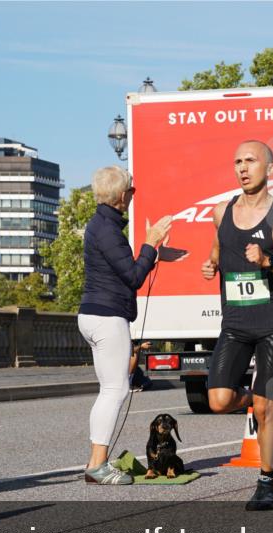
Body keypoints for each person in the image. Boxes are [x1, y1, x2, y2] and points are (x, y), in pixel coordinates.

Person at [201, 140, 273, 511]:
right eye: (237, 161)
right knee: (218, 401)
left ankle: (266, 483)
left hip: (271, 322)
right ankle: (254, 399)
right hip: (234, 322)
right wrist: (211, 265)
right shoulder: (221, 212)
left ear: (271, 167)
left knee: (266, 411)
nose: (242, 168)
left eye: (251, 160)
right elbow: (218, 250)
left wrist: (267, 260)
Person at [78, 166, 173, 485]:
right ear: (122, 196)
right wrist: (150, 242)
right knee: (115, 390)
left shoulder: (99, 225)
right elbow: (132, 276)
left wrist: (152, 255)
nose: (133, 194)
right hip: (107, 317)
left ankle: (95, 462)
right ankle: (98, 465)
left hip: (92, 314)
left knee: (108, 390)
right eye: (132, 190)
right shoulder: (107, 229)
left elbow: (124, 269)